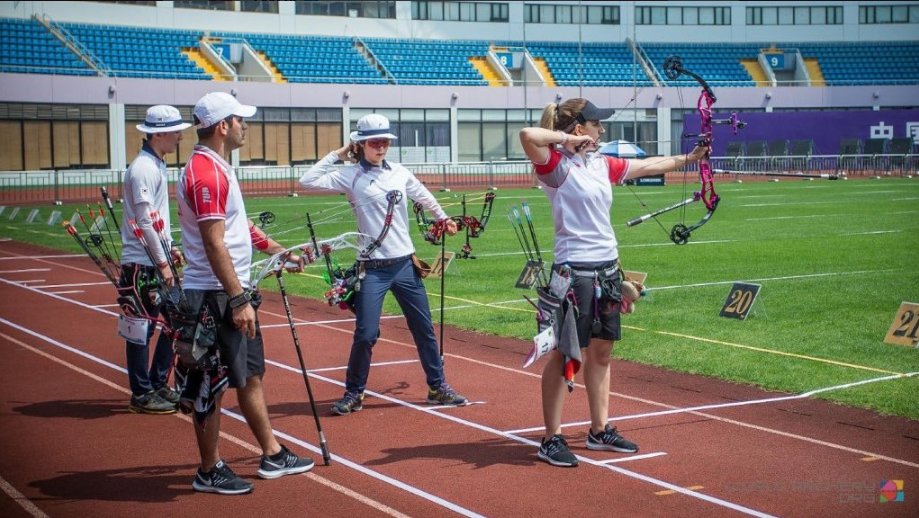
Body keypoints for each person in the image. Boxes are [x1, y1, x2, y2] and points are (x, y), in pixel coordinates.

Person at [519, 98, 708, 468]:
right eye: (595, 124)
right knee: (566, 354)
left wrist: (690, 159)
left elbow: (648, 164)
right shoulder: (556, 166)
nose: (602, 130)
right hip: (574, 272)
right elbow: (528, 135)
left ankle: (599, 430)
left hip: (606, 269)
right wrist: (564, 140)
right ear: (577, 129)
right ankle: (551, 438)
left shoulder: (599, 163)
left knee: (602, 351)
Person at [177, 91, 313, 495]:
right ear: (223, 126)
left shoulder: (218, 167)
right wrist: (237, 299)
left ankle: (271, 453)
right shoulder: (206, 172)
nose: (245, 126)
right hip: (214, 296)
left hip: (231, 291)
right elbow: (214, 242)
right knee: (210, 384)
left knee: (250, 375)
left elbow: (238, 228)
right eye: (240, 120)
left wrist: (278, 251)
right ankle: (208, 469)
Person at [299, 113, 468, 416]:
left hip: (404, 264)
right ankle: (354, 393)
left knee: (424, 328)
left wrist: (443, 218)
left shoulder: (400, 172)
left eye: (385, 142)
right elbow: (306, 180)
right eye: (375, 142)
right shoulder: (349, 174)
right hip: (372, 268)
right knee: (366, 333)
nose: (381, 147)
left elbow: (425, 196)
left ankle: (437, 386)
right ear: (361, 143)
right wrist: (339, 152)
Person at [119, 105, 190, 414]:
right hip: (142, 263)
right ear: (159, 133)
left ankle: (158, 381)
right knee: (141, 328)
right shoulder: (143, 168)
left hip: (157, 258)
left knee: (176, 322)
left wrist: (168, 249)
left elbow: (156, 220)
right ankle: (141, 392)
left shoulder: (156, 164)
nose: (179, 137)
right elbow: (144, 220)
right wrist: (163, 261)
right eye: (175, 132)